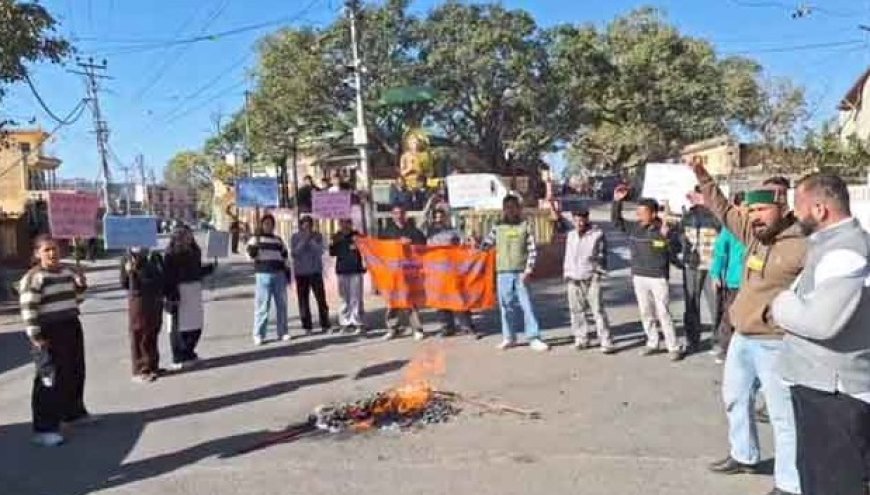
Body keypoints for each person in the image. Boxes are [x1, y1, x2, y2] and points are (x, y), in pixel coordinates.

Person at [691, 164, 806, 495]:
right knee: (735, 398)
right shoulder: (753, 235)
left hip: (776, 344)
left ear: (782, 208)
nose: (754, 216)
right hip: (742, 338)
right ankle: (744, 454)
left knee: (783, 418)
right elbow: (723, 209)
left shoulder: (802, 245)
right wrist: (702, 176)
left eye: (762, 209)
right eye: (752, 209)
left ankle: (790, 483)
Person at [770, 174, 870, 495]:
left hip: (834, 396)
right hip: (820, 387)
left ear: (820, 209)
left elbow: (821, 322)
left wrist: (781, 303)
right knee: (815, 478)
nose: (795, 214)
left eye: (798, 206)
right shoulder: (829, 245)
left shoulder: (846, 252)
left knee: (831, 483)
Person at [19, 235, 93, 447]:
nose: (52, 254)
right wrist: (36, 337)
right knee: (48, 378)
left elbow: (76, 300)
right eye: (47, 250)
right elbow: (28, 309)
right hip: (48, 332)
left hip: (70, 325)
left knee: (74, 371)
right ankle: (44, 429)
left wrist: (80, 286)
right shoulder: (34, 278)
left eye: (55, 249)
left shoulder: (67, 272)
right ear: (37, 254)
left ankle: (73, 413)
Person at [612, 190, 684, 361]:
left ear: (653, 213)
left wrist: (667, 238)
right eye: (638, 212)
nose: (640, 215)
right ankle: (652, 342)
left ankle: (673, 346)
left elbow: (676, 251)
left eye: (643, 213)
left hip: (658, 277)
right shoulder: (635, 228)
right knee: (645, 311)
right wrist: (617, 202)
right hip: (639, 276)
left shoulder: (665, 229)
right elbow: (617, 221)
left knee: (663, 312)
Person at [480, 195, 550, 352]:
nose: (510, 210)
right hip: (503, 273)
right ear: (504, 209)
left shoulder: (525, 226)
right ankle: (509, 337)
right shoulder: (497, 226)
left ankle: (534, 337)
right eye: (507, 207)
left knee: (527, 305)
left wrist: (528, 270)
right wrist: (476, 242)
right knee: (506, 307)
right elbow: (486, 245)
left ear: (518, 209)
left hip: (521, 273)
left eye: (513, 207)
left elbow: (532, 250)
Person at [163, 225, 215, 369]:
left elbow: (196, 270)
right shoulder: (171, 253)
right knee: (179, 326)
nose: (188, 237)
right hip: (179, 292)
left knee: (195, 324)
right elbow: (167, 276)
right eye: (184, 235)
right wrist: (171, 293)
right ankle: (179, 356)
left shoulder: (194, 251)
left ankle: (189, 352)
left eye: (189, 234)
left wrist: (208, 269)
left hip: (194, 291)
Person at [560, 207, 612, 353]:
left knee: (598, 310)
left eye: (582, 219)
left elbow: (602, 256)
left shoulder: (597, 234)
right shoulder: (570, 234)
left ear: (587, 219)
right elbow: (556, 220)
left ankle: (606, 340)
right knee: (576, 310)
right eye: (576, 220)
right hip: (573, 277)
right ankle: (581, 338)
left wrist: (597, 274)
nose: (579, 223)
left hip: (590, 277)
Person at [680, 186, 721, 354]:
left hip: (713, 266)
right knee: (691, 303)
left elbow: (723, 228)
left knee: (716, 305)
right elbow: (679, 237)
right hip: (692, 266)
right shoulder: (688, 216)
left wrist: (708, 206)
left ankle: (718, 340)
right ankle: (692, 340)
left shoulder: (717, 215)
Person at [709, 192, 747, 363]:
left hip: (752, 281)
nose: (748, 210)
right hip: (733, 280)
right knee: (729, 316)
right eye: (745, 206)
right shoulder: (730, 228)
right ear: (737, 207)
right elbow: (720, 252)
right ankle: (725, 349)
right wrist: (716, 273)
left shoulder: (757, 226)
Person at [380, 205, 427, 341]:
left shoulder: (412, 230)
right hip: (393, 271)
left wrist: (411, 243)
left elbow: (423, 244)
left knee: (410, 300)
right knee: (392, 300)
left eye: (401, 213)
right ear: (392, 215)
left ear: (405, 214)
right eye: (396, 213)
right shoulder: (386, 231)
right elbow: (380, 248)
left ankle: (417, 329)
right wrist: (395, 244)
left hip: (409, 270)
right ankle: (392, 328)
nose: (399, 215)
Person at [427, 208, 476, 337]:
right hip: (437, 273)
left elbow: (465, 243)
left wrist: (470, 241)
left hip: (453, 272)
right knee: (441, 301)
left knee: (459, 299)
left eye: (441, 217)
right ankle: (447, 327)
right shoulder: (429, 234)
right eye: (436, 218)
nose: (439, 220)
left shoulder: (454, 232)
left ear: (446, 218)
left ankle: (466, 325)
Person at [120, 247, 165, 383]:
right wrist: (129, 272)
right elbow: (125, 283)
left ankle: (152, 365)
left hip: (154, 299)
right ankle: (140, 369)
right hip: (139, 301)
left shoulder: (153, 256)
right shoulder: (128, 258)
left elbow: (161, 277)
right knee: (140, 333)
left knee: (152, 331)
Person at [246, 214, 291, 345]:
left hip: (279, 274)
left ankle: (283, 331)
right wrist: (254, 249)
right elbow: (249, 256)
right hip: (263, 274)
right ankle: (259, 334)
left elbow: (285, 257)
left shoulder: (278, 240)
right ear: (262, 225)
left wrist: (287, 273)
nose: (268, 226)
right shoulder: (255, 239)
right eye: (266, 223)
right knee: (262, 305)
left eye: (270, 224)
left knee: (281, 305)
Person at [291, 216, 330, 334]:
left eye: (309, 225)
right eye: (304, 225)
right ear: (301, 225)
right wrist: (304, 241)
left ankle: (325, 324)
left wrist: (311, 240)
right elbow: (294, 253)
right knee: (303, 300)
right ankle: (307, 326)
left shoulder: (318, 236)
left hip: (315, 272)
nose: (307, 227)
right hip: (301, 273)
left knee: (321, 299)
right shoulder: (295, 237)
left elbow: (320, 251)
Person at [329, 218, 366, 334]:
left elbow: (366, 249)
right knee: (344, 299)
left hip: (356, 270)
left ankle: (357, 322)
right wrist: (334, 242)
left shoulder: (357, 235)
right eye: (342, 223)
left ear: (351, 224)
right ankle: (345, 322)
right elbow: (332, 253)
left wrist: (359, 242)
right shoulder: (336, 237)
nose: (345, 225)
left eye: (347, 223)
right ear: (340, 224)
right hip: (342, 270)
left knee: (356, 298)